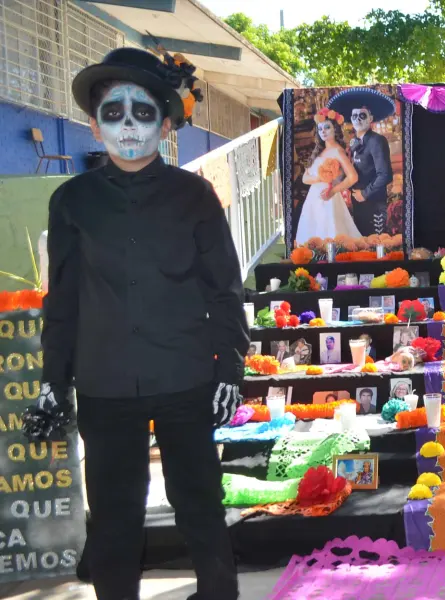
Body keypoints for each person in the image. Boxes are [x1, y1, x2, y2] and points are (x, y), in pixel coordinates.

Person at [36, 48, 247, 600]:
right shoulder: (71, 201)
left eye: (143, 112)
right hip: (105, 382)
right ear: (93, 122)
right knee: (113, 517)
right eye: (113, 113)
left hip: (185, 376)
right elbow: (62, 300)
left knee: (200, 503)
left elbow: (224, 290)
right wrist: (51, 382)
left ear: (166, 122)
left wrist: (231, 366)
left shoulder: (196, 196)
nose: (128, 126)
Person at [328, 88, 395, 235]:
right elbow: (354, 169)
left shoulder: (377, 141)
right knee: (362, 242)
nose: (358, 119)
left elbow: (385, 175)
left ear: (370, 118)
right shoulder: (354, 142)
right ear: (350, 119)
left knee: (377, 244)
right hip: (358, 204)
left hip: (374, 203)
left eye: (362, 115)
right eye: (354, 116)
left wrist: (365, 193)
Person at [294, 108, 361, 241]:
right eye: (320, 129)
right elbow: (305, 178)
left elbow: (353, 177)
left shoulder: (338, 151)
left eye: (327, 127)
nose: (323, 131)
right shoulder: (319, 151)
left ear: (335, 129)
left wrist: (333, 191)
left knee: (329, 233)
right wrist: (319, 178)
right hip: (313, 199)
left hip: (327, 198)